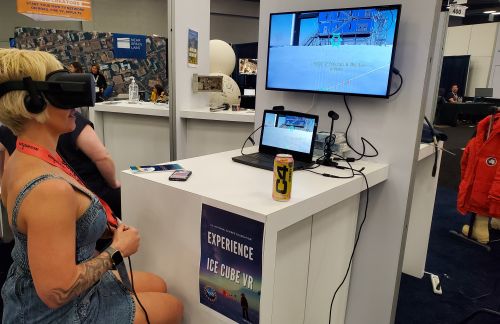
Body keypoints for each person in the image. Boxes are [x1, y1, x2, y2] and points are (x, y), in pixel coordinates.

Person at [0, 48, 182, 323]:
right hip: (58, 310)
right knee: (173, 307)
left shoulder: (21, 156)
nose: (76, 105)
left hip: (31, 288)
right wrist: (117, 250)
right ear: (34, 102)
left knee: (157, 283)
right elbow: (57, 292)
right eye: (64, 94)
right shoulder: (49, 190)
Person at [0, 112, 122, 219]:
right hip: (95, 198)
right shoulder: (57, 191)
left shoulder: (12, 147)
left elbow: (7, 181)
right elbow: (102, 157)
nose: (72, 108)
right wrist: (120, 245)